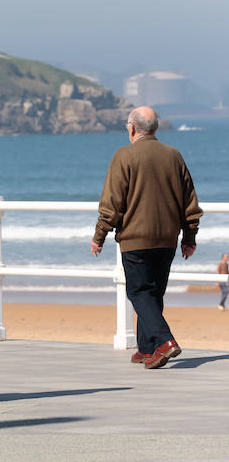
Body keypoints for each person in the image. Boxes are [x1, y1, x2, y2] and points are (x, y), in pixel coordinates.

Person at [91, 106, 203, 369]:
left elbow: (112, 203)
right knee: (154, 294)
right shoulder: (173, 156)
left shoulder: (124, 155)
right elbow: (190, 202)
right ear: (155, 128)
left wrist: (99, 236)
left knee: (139, 292)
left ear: (132, 128)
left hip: (136, 239)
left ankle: (165, 342)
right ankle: (147, 348)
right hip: (167, 239)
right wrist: (189, 237)